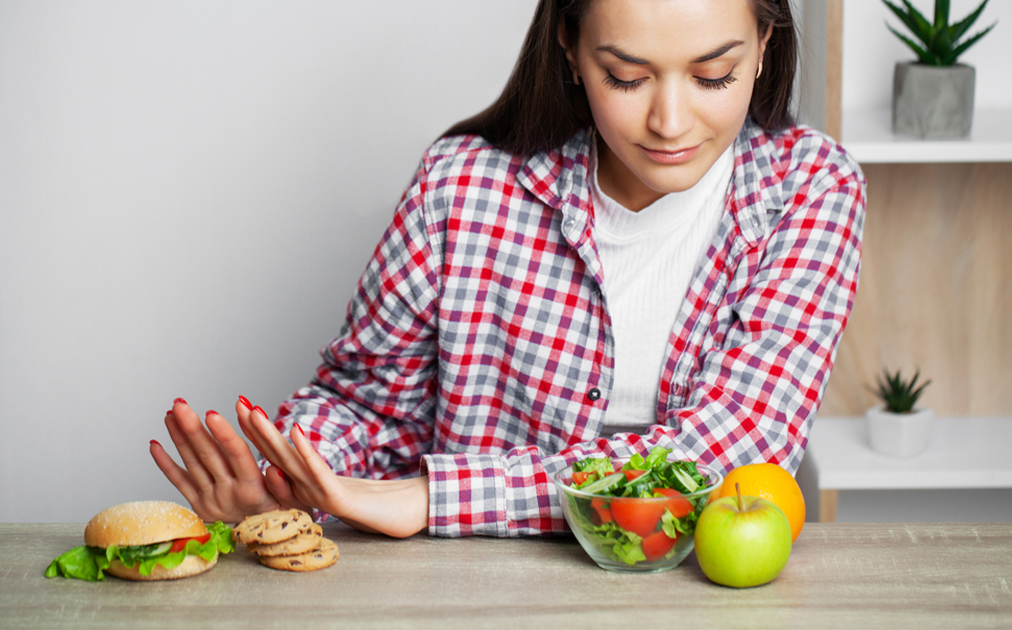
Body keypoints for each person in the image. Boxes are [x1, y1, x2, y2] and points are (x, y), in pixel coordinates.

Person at [150, 0, 865, 539]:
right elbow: (369, 408)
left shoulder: (812, 189)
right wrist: (295, 478)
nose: (670, 121)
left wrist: (432, 496)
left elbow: (730, 448)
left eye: (715, 75)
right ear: (569, 47)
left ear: (766, 44)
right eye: (626, 77)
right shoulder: (461, 188)